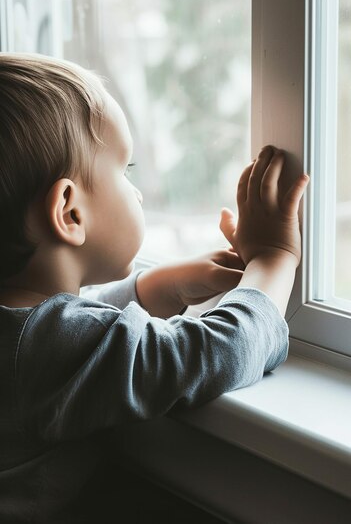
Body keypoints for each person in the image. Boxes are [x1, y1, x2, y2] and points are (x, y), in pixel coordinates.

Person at [0, 53, 309, 523]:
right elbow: (220, 350)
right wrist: (273, 258)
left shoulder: (24, 337)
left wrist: (151, 289)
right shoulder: (41, 352)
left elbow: (58, 330)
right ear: (69, 213)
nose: (137, 192)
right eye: (124, 171)